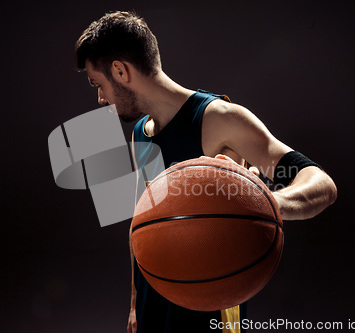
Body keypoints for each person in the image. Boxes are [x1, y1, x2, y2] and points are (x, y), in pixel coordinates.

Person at [74, 11, 337, 333]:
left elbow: (322, 185)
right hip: (154, 293)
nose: (100, 98)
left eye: (98, 84)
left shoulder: (221, 118)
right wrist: (134, 302)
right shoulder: (141, 131)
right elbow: (141, 221)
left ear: (119, 71)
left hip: (210, 294)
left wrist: (265, 203)